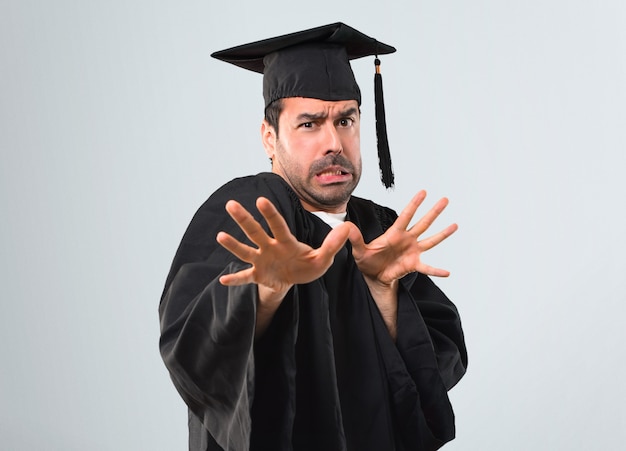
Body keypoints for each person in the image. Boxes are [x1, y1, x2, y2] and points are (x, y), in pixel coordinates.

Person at [159, 22, 467, 451]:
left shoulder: (379, 227)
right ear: (270, 137)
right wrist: (266, 291)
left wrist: (384, 293)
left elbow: (436, 372)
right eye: (309, 124)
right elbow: (191, 350)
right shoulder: (248, 210)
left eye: (346, 119)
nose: (333, 143)